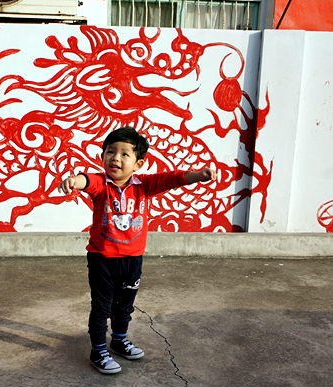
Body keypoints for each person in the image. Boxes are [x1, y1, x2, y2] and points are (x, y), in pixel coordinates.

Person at [58, 126, 216, 374]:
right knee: (101, 307)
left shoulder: (144, 185)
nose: (115, 158)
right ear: (102, 156)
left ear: (138, 163)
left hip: (132, 259)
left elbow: (171, 179)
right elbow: (86, 179)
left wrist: (199, 175)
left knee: (124, 306)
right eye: (110, 152)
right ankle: (98, 351)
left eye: (124, 154)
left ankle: (119, 341)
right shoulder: (102, 184)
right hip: (102, 259)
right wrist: (73, 182)